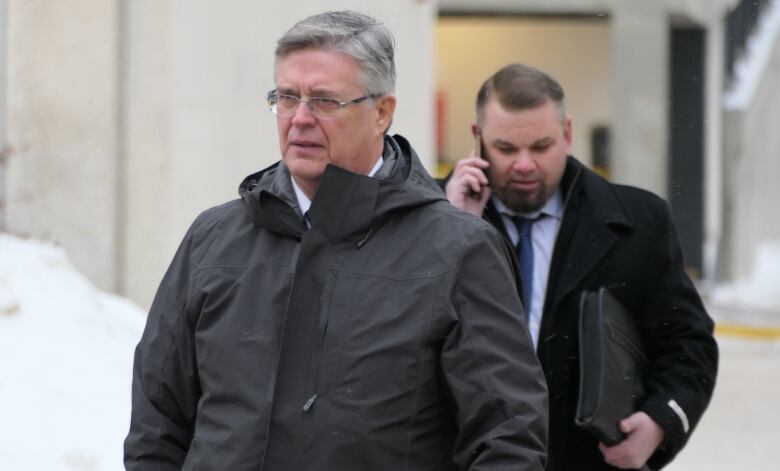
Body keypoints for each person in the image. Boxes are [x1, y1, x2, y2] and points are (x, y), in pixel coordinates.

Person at [124, 12, 549, 471]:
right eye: (287, 97)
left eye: (325, 101)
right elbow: (157, 425)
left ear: (382, 112)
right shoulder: (213, 239)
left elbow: (508, 437)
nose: (300, 119)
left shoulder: (459, 251)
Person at [443, 63, 718, 471]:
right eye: (505, 148)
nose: (523, 164)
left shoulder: (640, 222)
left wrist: (659, 422)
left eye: (540, 147)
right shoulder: (429, 217)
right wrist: (453, 226)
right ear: (477, 139)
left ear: (567, 135)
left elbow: (688, 345)